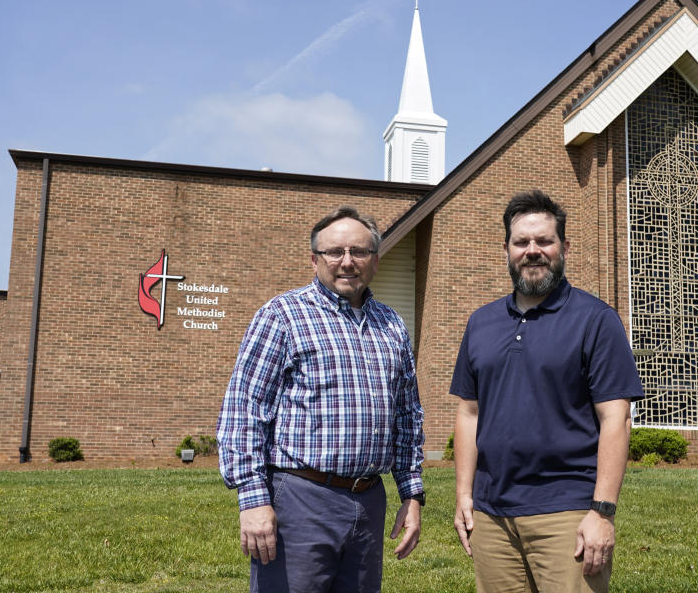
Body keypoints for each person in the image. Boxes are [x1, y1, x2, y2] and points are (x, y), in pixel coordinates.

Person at [217, 206, 425, 593]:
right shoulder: (282, 316)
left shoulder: (392, 325)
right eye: (335, 252)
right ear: (314, 259)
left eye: (359, 252)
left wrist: (411, 494)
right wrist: (253, 500)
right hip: (301, 500)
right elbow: (244, 412)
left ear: (375, 260)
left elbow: (407, 417)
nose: (347, 262)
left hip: (368, 502)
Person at [450, 190, 643, 593]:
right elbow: (470, 413)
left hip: (567, 511)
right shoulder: (480, 323)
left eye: (544, 241)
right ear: (506, 249)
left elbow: (616, 418)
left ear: (564, 247)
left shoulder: (596, 320)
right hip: (492, 515)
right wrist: (464, 496)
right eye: (521, 242)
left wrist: (602, 513)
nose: (532, 251)